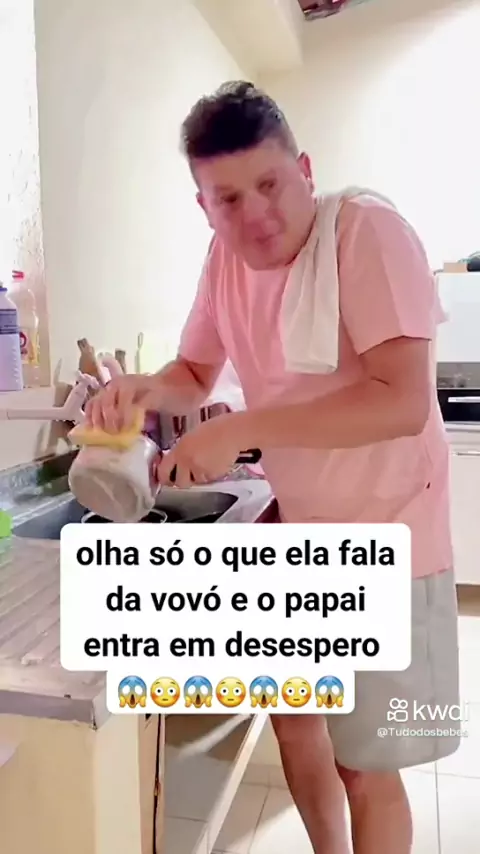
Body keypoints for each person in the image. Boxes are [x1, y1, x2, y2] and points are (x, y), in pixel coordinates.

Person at [87, 82, 460, 854]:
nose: (254, 214)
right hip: (304, 533)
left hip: (391, 540)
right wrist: (142, 389)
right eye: (227, 198)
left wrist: (243, 430)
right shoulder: (223, 261)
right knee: (296, 723)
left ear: (305, 170)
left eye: (269, 184)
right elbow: (195, 371)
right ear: (203, 206)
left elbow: (401, 402)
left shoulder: (367, 234)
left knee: (368, 766)